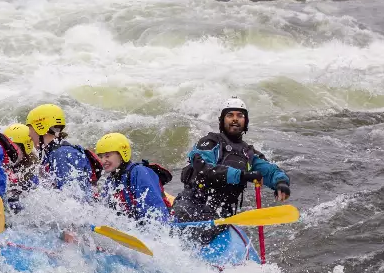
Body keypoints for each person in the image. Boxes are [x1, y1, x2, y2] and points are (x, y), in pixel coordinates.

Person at [172, 97, 290, 243]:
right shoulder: (209, 142)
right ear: (222, 120)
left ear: (246, 122)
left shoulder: (249, 153)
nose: (235, 119)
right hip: (193, 203)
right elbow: (204, 169)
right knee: (187, 237)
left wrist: (281, 182)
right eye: (230, 115)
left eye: (240, 116)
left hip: (221, 212)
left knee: (206, 236)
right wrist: (241, 175)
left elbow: (270, 171)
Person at [26, 103, 101, 199]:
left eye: (30, 129)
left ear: (40, 128)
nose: (29, 135)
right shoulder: (52, 154)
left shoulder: (62, 155)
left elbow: (73, 200)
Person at [95, 132, 173, 224]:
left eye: (107, 156)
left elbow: (155, 209)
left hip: (162, 224)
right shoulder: (110, 180)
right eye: (101, 157)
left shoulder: (139, 173)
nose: (103, 161)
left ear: (121, 155)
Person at [2, 123, 39, 211]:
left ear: (25, 147)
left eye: (13, 148)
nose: (8, 152)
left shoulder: (34, 170)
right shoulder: (3, 165)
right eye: (6, 147)